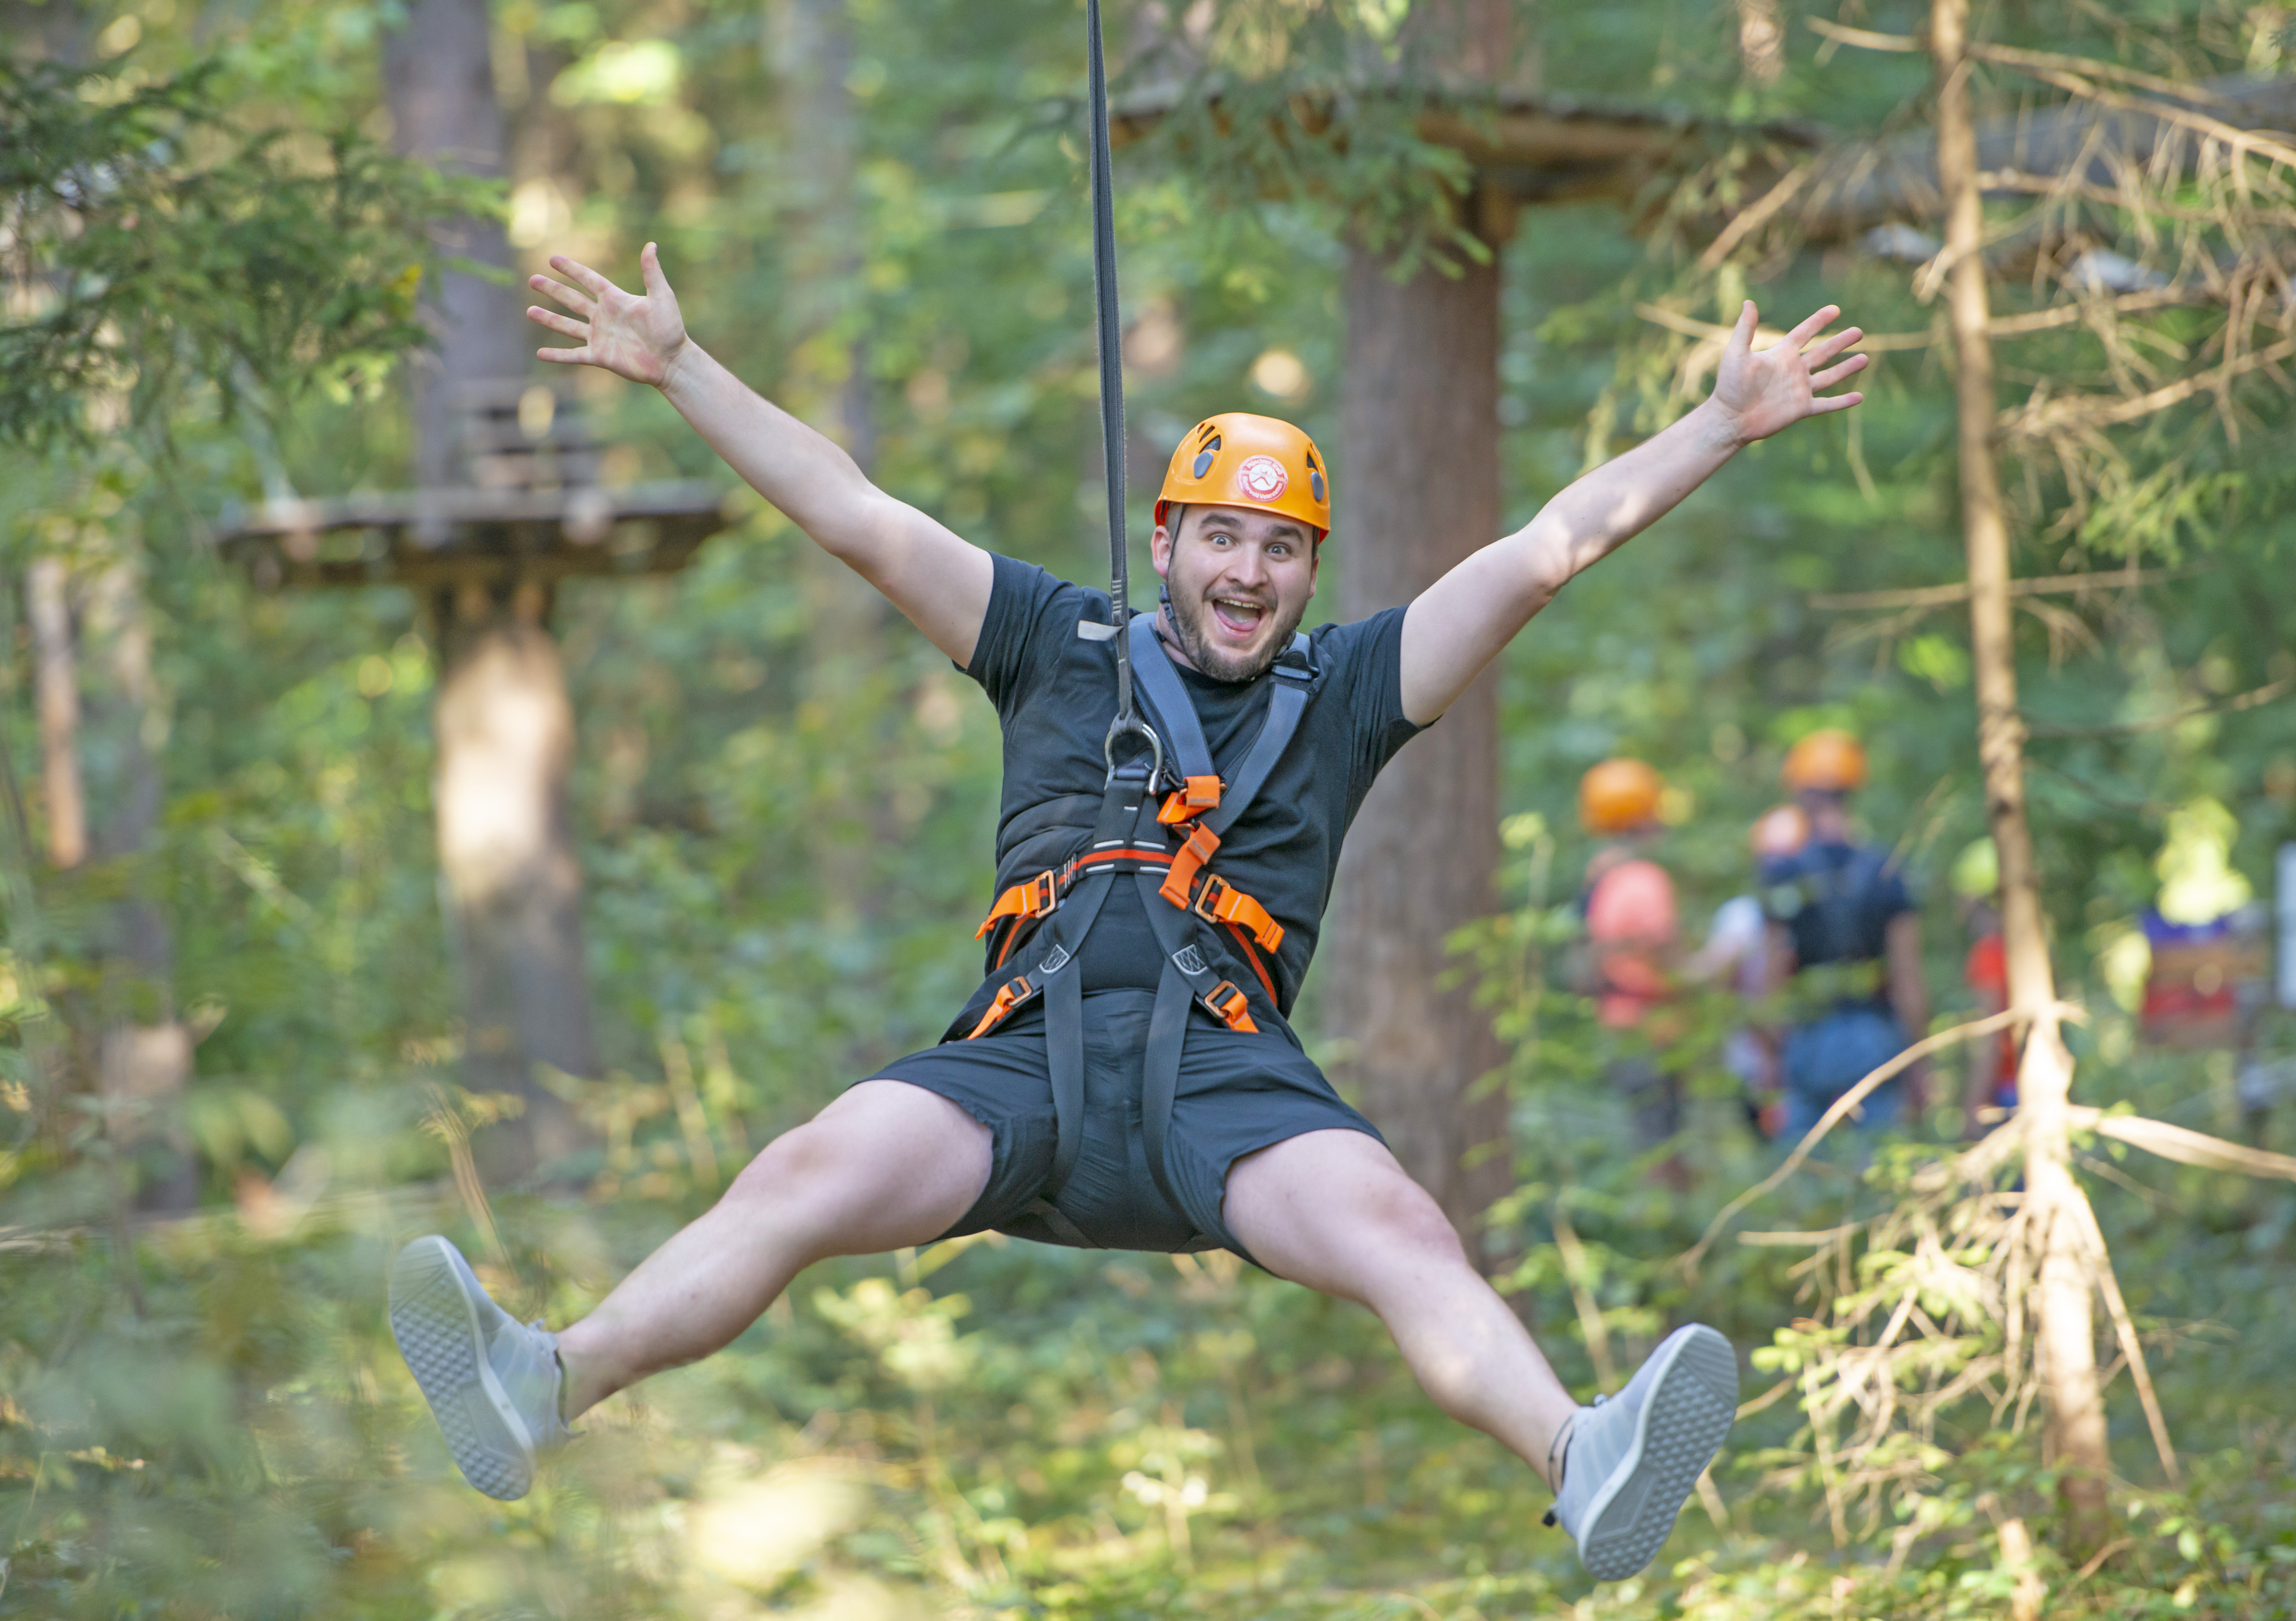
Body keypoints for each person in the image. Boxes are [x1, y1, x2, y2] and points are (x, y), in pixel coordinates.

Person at [384, 241, 1866, 1579]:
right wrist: (682, 367)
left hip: (1225, 1079)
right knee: (806, 1171)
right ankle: (546, 1382)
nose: (1251, 569)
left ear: (1306, 576)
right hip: (1023, 1052)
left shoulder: (1347, 694)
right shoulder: (1047, 639)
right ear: (1165, 542)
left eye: (1281, 548)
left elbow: (1542, 555)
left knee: (1401, 1228)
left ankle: (1577, 1453)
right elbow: (857, 517)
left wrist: (1719, 425)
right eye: (1222, 536)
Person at [1759, 730, 1929, 1141]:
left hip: (1810, 1033)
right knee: (1880, 1160)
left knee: (1806, 1164)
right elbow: (1907, 979)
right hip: (1875, 1036)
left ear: (1802, 792)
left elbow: (1774, 970)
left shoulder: (1784, 873)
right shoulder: (1886, 870)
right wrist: (1920, 1064)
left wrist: (1770, 1050)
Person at [1573, 760, 1686, 1175]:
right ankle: (1665, 1231)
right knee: (1663, 1145)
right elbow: (1668, 958)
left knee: (1638, 1137)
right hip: (1653, 1030)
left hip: (1615, 1026)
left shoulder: (1595, 882)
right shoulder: (1644, 879)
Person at [1688, 803, 1809, 1140]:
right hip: (1754, 1061)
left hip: (1801, 1057)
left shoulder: (1819, 919)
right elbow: (1715, 976)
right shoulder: (1741, 917)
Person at [1950, 838, 2017, 1137]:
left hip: (2007, 1093)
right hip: (2040, 1086)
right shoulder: (2028, 949)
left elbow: (1990, 1037)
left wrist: (1973, 1106)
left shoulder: (1988, 955)